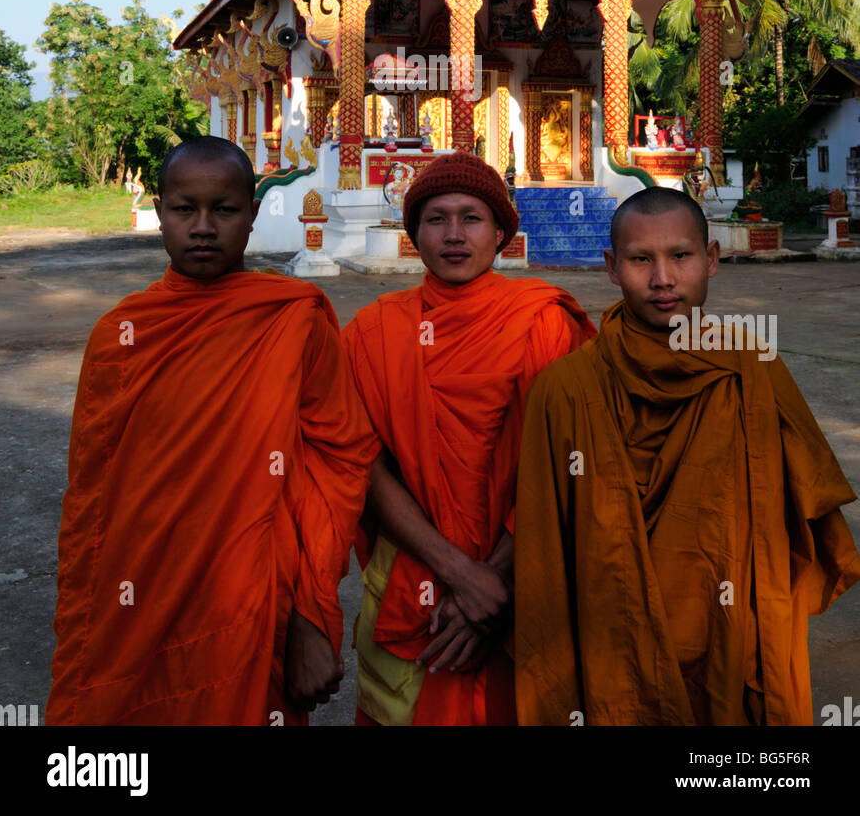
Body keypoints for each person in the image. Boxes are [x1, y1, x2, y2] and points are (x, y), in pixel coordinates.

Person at [46, 136, 377, 726]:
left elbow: (338, 467)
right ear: (159, 210)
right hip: (140, 595)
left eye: (223, 210)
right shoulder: (121, 336)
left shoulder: (293, 319)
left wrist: (311, 618)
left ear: (252, 215)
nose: (203, 227)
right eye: (184, 209)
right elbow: (93, 506)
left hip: (253, 597)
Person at [514, 185, 860, 726]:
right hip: (613, 640)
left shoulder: (753, 368)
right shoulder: (565, 390)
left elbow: (810, 517)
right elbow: (545, 551)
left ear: (712, 259)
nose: (662, 279)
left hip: (732, 638)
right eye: (639, 259)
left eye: (680, 255)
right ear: (610, 266)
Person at [342, 152, 595, 726]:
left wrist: (496, 582)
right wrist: (464, 577)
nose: (454, 236)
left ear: (502, 232)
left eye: (472, 218)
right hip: (417, 573)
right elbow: (365, 466)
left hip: (527, 570)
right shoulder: (373, 332)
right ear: (414, 234)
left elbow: (565, 465)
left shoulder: (543, 321)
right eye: (436, 219)